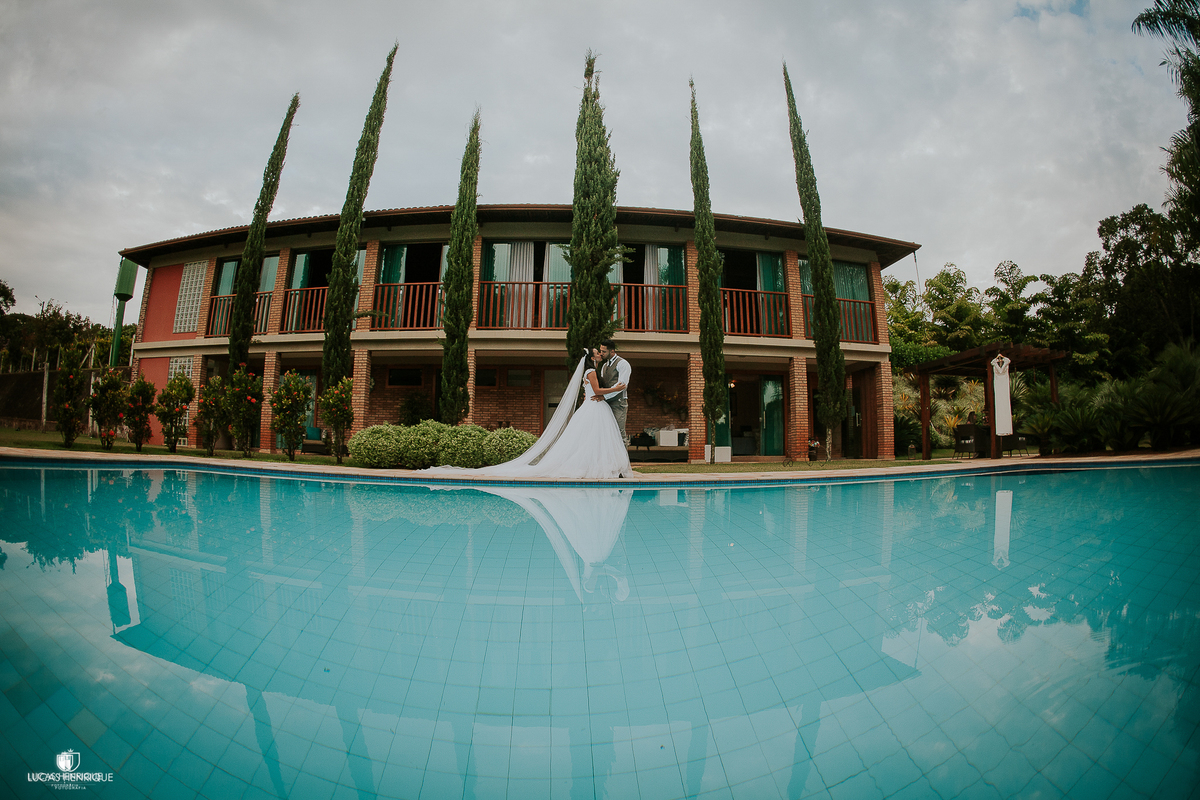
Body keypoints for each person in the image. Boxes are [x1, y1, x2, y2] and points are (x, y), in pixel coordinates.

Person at [421, 349, 633, 479]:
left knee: (591, 440)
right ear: (591, 358)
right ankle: (593, 467)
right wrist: (614, 389)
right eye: (597, 352)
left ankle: (597, 465)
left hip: (594, 407)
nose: (599, 354)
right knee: (590, 439)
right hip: (594, 408)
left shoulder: (592, 371)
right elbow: (596, 391)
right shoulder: (591, 371)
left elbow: (593, 392)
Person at [595, 339, 631, 445]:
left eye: (604, 351)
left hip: (619, 403)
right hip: (606, 404)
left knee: (619, 432)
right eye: (600, 351)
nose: (601, 353)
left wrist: (604, 396)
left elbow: (621, 385)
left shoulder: (623, 364)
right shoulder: (604, 366)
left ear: (612, 351)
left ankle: (623, 461)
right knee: (607, 433)